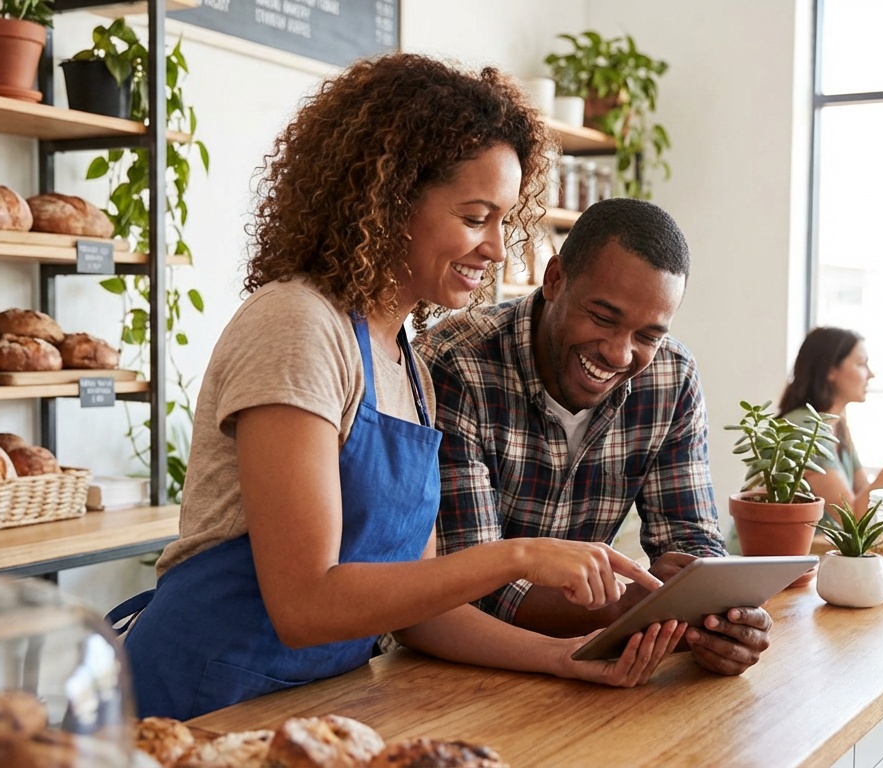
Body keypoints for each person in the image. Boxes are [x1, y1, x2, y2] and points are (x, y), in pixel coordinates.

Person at [109, 54, 686, 721]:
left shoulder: (406, 360)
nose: (498, 249)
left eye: (504, 220)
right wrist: (519, 556)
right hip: (199, 703)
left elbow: (420, 614)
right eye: (475, 217)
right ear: (389, 199)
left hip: (310, 708)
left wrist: (566, 656)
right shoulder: (298, 326)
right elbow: (305, 604)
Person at [414, 197, 773, 676]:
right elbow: (466, 585)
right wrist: (631, 609)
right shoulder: (454, 363)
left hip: (585, 671)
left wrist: (719, 617)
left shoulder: (672, 376)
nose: (620, 353)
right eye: (603, 318)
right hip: (452, 670)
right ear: (555, 278)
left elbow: (690, 539)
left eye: (648, 335)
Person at [776, 327, 883, 514]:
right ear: (831, 371)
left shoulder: (837, 425)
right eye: (861, 364)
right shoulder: (804, 427)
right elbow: (854, 517)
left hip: (820, 543)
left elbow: (870, 499)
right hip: (784, 544)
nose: (871, 374)